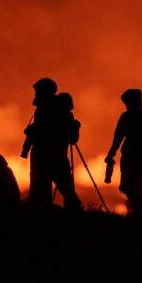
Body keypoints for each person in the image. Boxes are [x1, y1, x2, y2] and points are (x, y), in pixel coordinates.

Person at [22, 78, 83, 210]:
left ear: (45, 91)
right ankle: (74, 212)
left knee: (42, 191)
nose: (35, 94)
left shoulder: (45, 109)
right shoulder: (56, 108)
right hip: (56, 156)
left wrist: (32, 131)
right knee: (65, 188)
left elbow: (48, 130)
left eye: (38, 91)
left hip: (45, 156)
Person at [105, 89, 142, 217]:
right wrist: (111, 153)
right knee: (129, 187)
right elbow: (118, 137)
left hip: (139, 159)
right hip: (135, 158)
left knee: (133, 187)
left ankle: (137, 212)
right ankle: (137, 210)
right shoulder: (139, 117)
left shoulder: (135, 117)